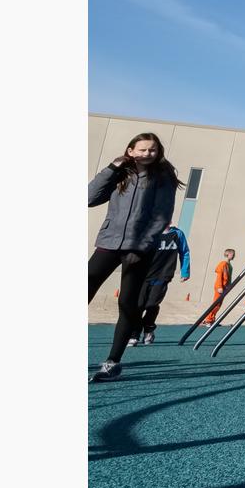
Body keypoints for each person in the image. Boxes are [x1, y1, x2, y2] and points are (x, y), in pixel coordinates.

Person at [89, 133, 183, 383]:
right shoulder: (121, 172)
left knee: (128, 303)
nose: (147, 153)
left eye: (152, 149)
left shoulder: (163, 176)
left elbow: (162, 214)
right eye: (141, 149)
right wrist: (112, 168)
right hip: (109, 242)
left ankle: (112, 362)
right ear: (130, 150)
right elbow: (89, 198)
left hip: (138, 248)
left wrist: (141, 247)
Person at [133, 225, 192, 346]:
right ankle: (134, 334)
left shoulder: (177, 234)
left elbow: (184, 252)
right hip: (144, 274)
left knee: (152, 304)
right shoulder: (150, 230)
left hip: (163, 275)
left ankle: (148, 329)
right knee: (138, 305)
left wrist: (185, 271)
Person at [204, 248, 236, 324]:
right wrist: (219, 287)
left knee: (219, 304)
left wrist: (228, 286)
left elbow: (229, 277)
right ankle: (208, 320)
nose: (234, 255)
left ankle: (212, 319)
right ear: (228, 254)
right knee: (216, 304)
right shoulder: (223, 264)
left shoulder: (229, 265)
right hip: (220, 287)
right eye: (232, 254)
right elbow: (219, 276)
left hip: (225, 287)